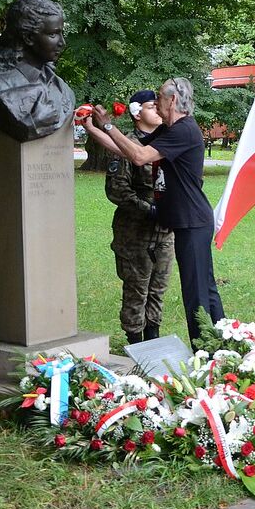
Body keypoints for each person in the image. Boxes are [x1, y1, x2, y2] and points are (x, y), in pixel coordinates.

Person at [85, 77, 224, 343]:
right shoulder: (170, 130)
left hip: (192, 223)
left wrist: (109, 125)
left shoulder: (184, 130)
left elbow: (140, 157)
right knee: (203, 289)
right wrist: (93, 130)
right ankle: (219, 344)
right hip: (186, 223)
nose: (156, 102)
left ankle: (206, 349)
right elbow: (129, 151)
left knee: (197, 294)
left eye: (159, 97)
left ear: (172, 100)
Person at [105, 89, 174, 344]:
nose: (157, 109)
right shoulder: (125, 144)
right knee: (136, 288)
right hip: (135, 232)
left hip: (165, 231)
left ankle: (153, 340)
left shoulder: (166, 140)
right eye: (150, 106)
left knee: (158, 288)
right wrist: (149, 209)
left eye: (158, 105)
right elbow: (117, 189)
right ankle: (136, 343)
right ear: (136, 112)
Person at [0, 0, 76, 142]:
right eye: (53, 35)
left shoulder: (64, 90)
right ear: (28, 37)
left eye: (61, 33)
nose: (62, 43)